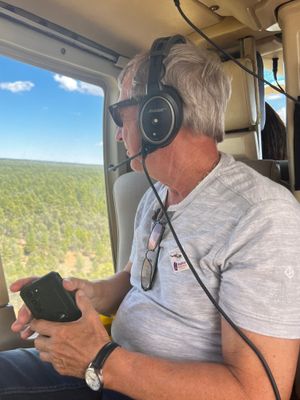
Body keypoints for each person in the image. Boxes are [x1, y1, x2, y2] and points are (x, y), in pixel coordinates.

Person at [0, 36, 300, 400]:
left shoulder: (263, 216)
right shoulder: (155, 194)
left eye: (120, 113)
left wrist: (100, 358)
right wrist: (92, 295)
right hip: (113, 369)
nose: (118, 132)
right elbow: (135, 277)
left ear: (159, 116)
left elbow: (259, 392)